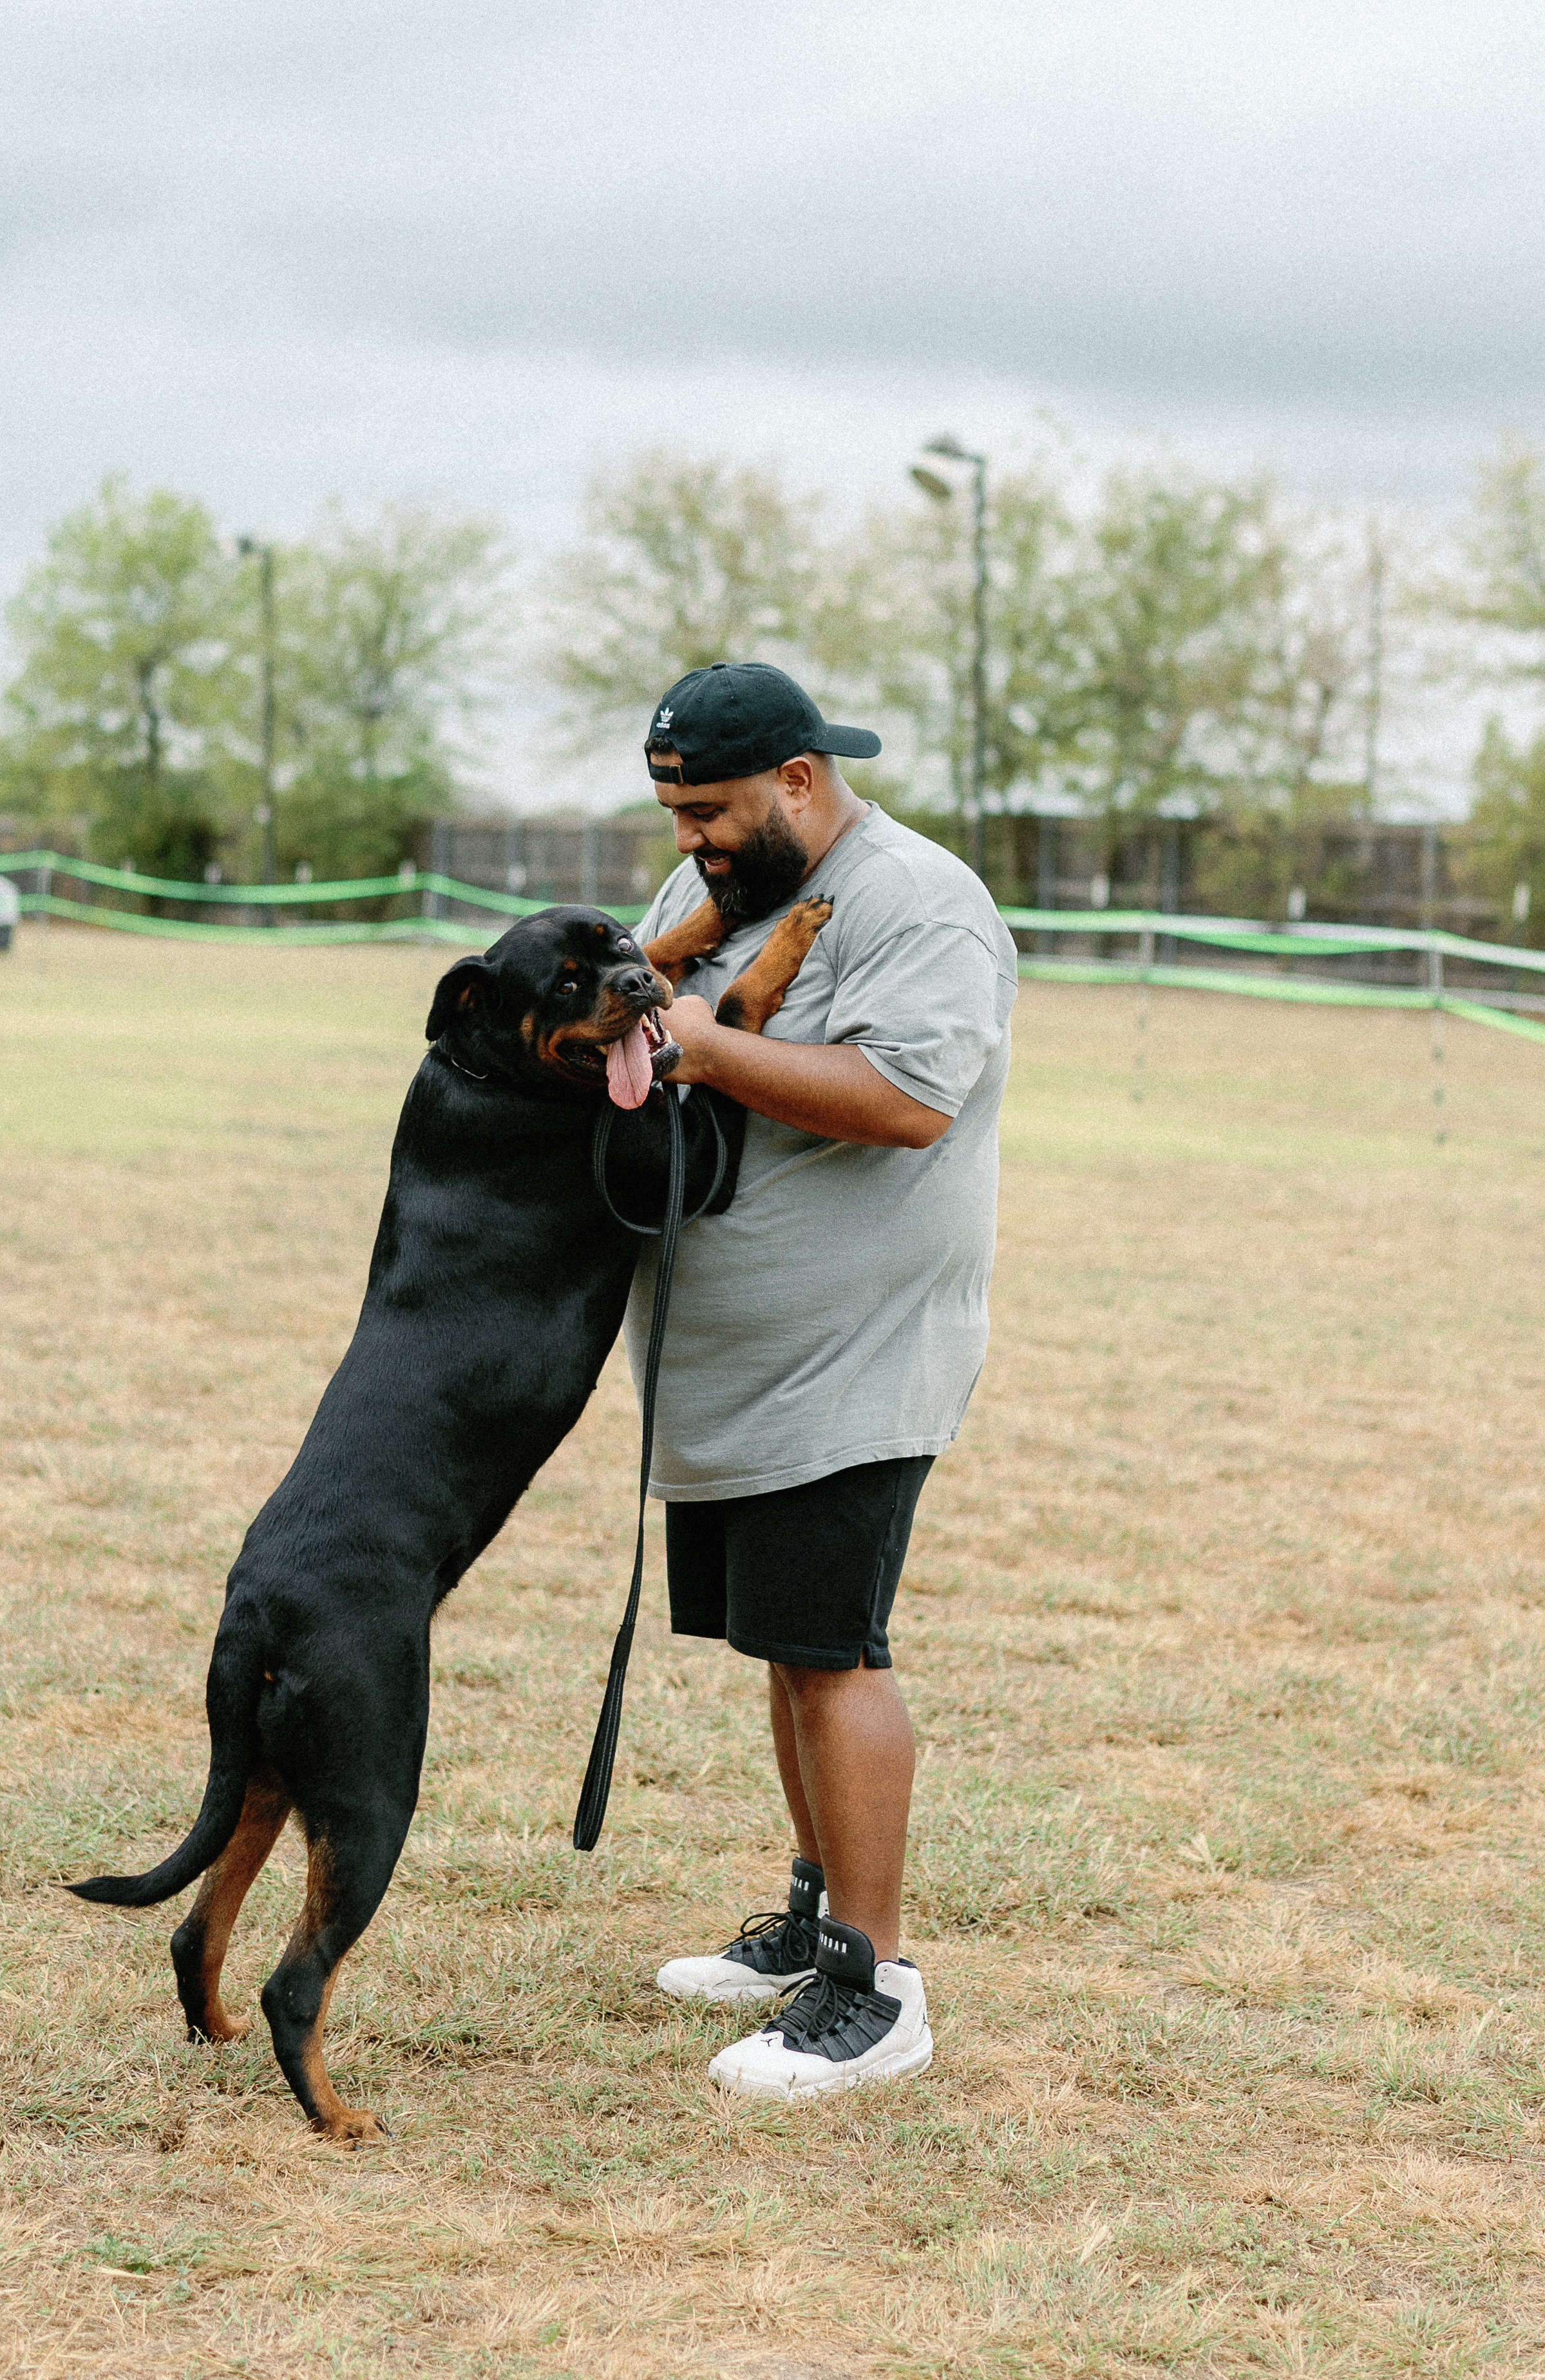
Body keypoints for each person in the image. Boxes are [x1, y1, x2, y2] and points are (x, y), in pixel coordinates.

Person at [628, 660, 1016, 2098]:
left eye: (713, 811)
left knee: (838, 1648)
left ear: (799, 779)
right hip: (745, 1362)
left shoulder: (918, 899)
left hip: (855, 1354)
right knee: (788, 1647)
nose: (690, 842)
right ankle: (814, 1916)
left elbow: (911, 1101)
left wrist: (708, 1046)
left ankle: (878, 1981)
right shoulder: (723, 897)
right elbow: (651, 995)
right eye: (673, 813)